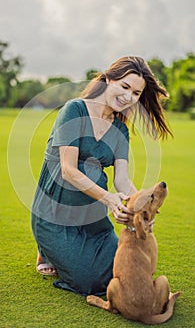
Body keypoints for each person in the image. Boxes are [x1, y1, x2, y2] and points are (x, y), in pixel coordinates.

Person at [31, 56, 172, 295]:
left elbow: (122, 181)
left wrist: (140, 210)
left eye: (136, 93)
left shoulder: (120, 129)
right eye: (125, 86)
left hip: (93, 220)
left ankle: (62, 252)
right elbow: (68, 169)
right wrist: (109, 199)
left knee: (123, 270)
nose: (129, 97)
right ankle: (46, 250)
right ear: (108, 79)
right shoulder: (74, 110)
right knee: (90, 282)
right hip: (54, 215)